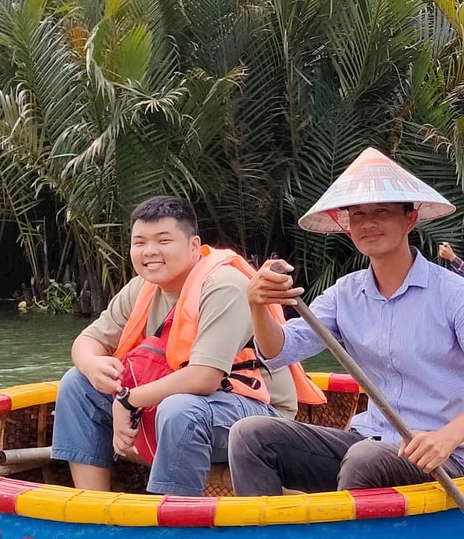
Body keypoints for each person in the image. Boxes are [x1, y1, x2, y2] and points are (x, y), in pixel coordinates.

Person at [228, 147, 464, 495]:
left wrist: (446, 438)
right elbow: (279, 351)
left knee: (366, 458)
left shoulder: (454, 293)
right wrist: (258, 305)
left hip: (437, 457)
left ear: (410, 218)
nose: (368, 223)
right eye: (358, 214)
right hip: (366, 442)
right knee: (249, 435)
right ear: (347, 227)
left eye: (382, 211)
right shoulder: (345, 294)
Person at [49, 196, 317, 496]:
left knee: (181, 409)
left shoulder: (224, 285)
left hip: (257, 419)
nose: (150, 251)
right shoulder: (143, 286)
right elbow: (88, 340)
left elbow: (204, 378)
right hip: (176, 402)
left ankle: (171, 522)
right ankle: (94, 511)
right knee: (77, 383)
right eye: (139, 242)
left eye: (164, 240)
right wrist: (93, 365)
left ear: (194, 245)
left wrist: (127, 400)